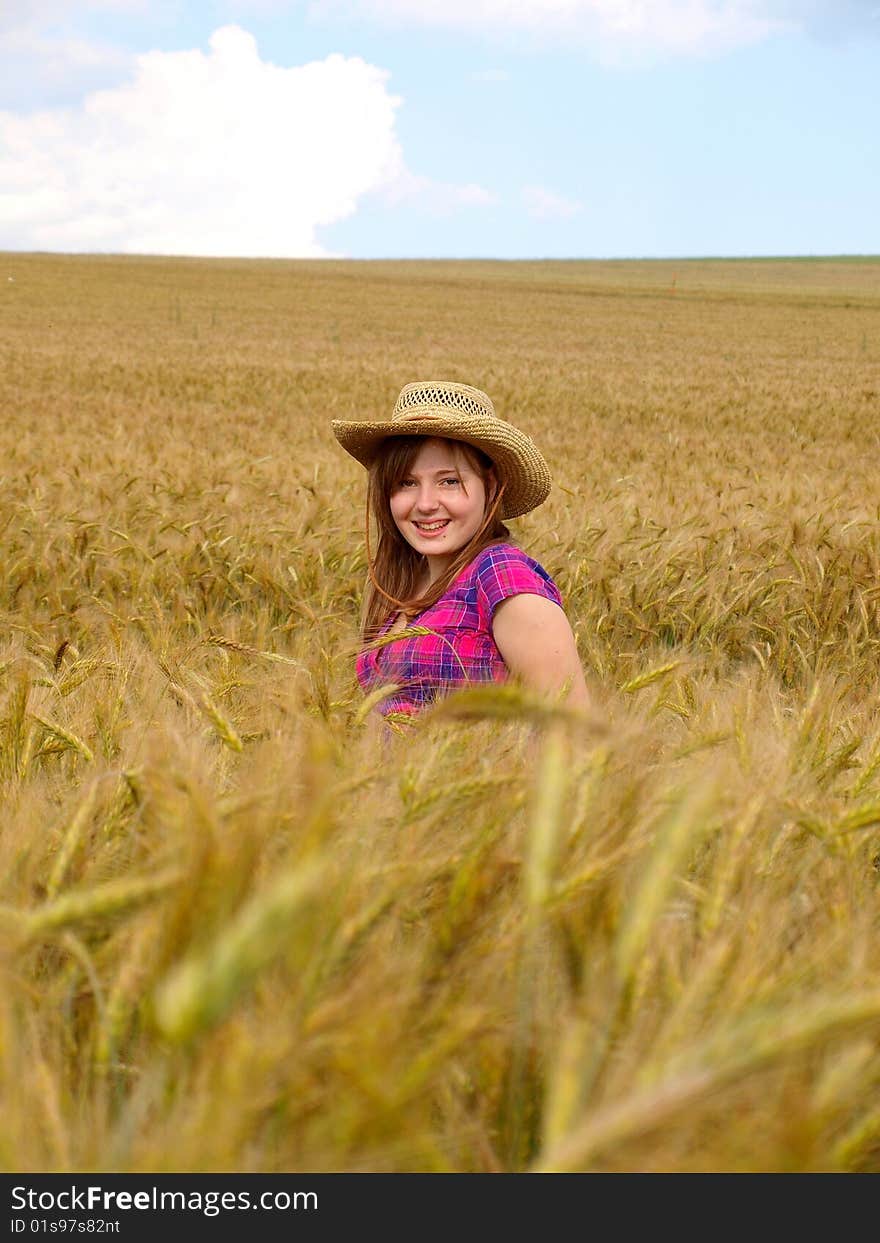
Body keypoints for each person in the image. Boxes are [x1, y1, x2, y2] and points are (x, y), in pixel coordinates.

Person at [331, 380, 589, 722]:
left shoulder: (502, 577)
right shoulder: (404, 584)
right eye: (406, 483)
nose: (425, 504)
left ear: (491, 485)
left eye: (449, 481)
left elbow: (573, 736)